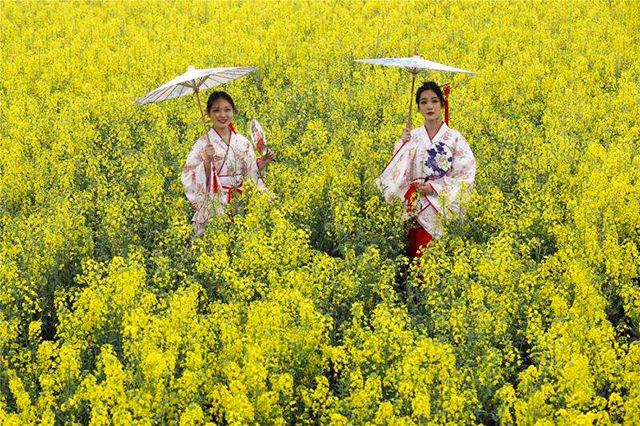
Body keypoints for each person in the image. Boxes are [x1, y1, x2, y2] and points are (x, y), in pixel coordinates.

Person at [376, 81, 476, 258]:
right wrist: (402, 145)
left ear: (442, 104)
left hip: (438, 206)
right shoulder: (412, 136)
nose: (429, 106)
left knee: (432, 260)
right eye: (423, 102)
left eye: (434, 101)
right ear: (418, 107)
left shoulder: (454, 138)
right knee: (410, 256)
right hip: (413, 205)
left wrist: (435, 188)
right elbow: (400, 171)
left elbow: (465, 175)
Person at [181, 91, 275, 237]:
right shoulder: (203, 144)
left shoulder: (242, 142)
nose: (222, 115)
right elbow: (188, 176)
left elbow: (250, 171)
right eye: (216, 110)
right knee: (215, 242)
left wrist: (263, 161)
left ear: (234, 111)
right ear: (208, 114)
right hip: (216, 201)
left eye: (227, 110)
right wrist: (206, 160)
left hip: (242, 200)